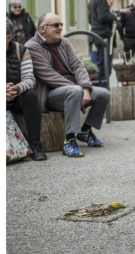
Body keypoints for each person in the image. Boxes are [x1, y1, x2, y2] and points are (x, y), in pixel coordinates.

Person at [26, 13, 110, 158]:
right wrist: (78, 91)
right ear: (42, 29)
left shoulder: (64, 42)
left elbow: (78, 66)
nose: (60, 28)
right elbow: (48, 76)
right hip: (48, 94)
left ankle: (85, 130)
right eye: (56, 25)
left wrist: (85, 89)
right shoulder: (32, 47)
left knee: (103, 94)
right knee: (74, 91)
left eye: (61, 25)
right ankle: (69, 140)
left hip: (73, 88)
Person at [6, 19, 46, 161]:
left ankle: (36, 145)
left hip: (16, 98)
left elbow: (30, 79)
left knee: (30, 95)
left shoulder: (21, 50)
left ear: (9, 37)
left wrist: (16, 88)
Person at [88, 0, 118, 84]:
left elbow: (90, 19)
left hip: (94, 34)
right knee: (102, 65)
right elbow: (103, 16)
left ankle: (97, 87)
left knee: (96, 63)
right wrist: (113, 16)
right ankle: (101, 89)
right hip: (101, 37)